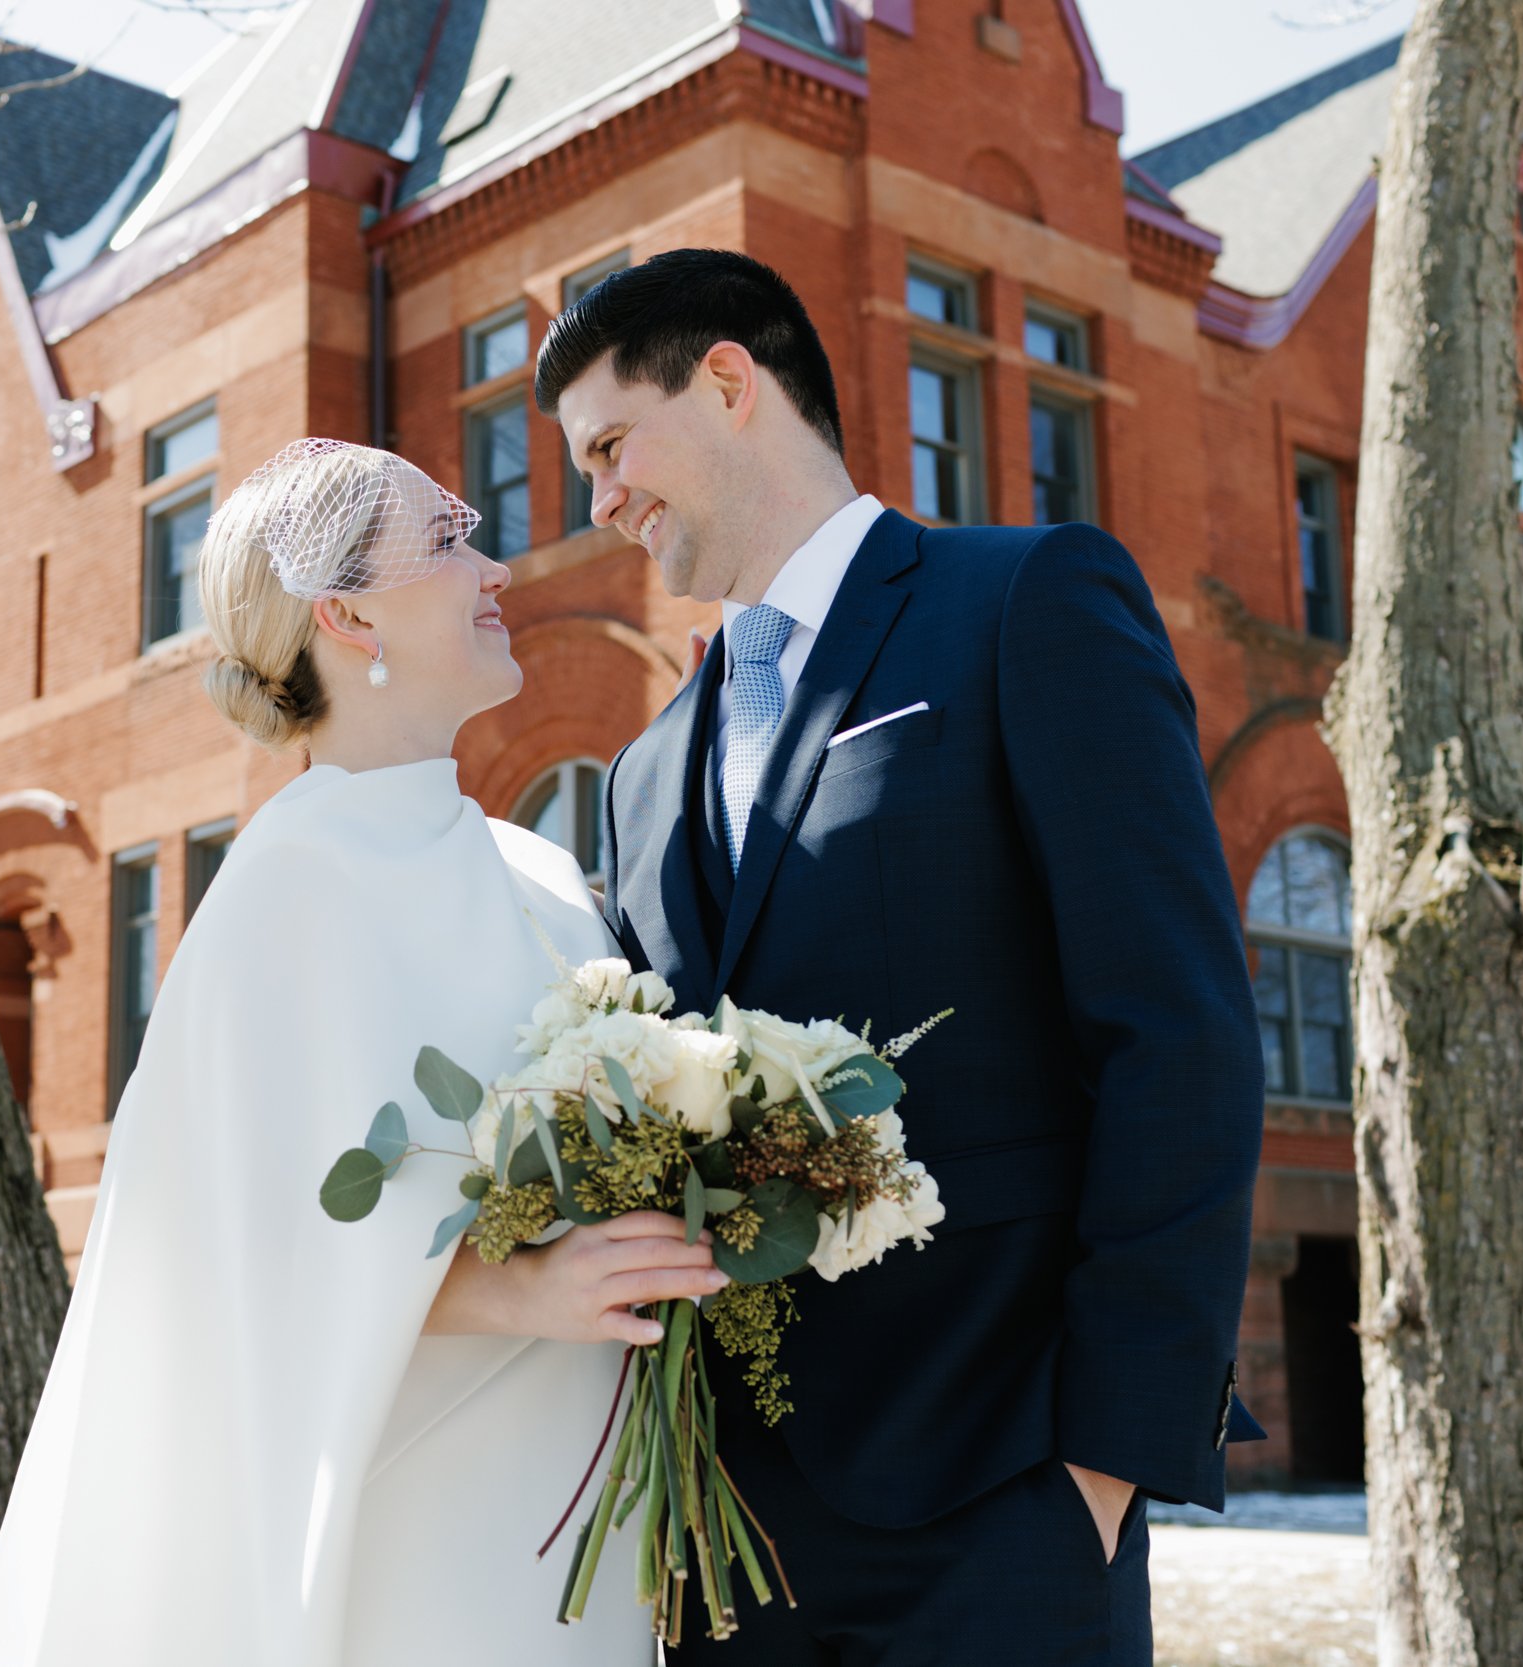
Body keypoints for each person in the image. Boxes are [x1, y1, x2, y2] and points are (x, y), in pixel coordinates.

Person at [540, 249, 1268, 1665]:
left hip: (1004, 1503)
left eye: (612, 445)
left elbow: (1177, 1032)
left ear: (732, 383)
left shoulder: (1026, 602)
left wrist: (1110, 1460)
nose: (600, 499)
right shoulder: (637, 775)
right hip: (722, 1538)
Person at [0, 439, 714, 1667]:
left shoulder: (535, 869)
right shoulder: (286, 887)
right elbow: (228, 1254)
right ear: (345, 611)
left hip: (586, 1506)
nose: (497, 563)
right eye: (448, 539)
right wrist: (521, 1287)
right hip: (421, 1523)